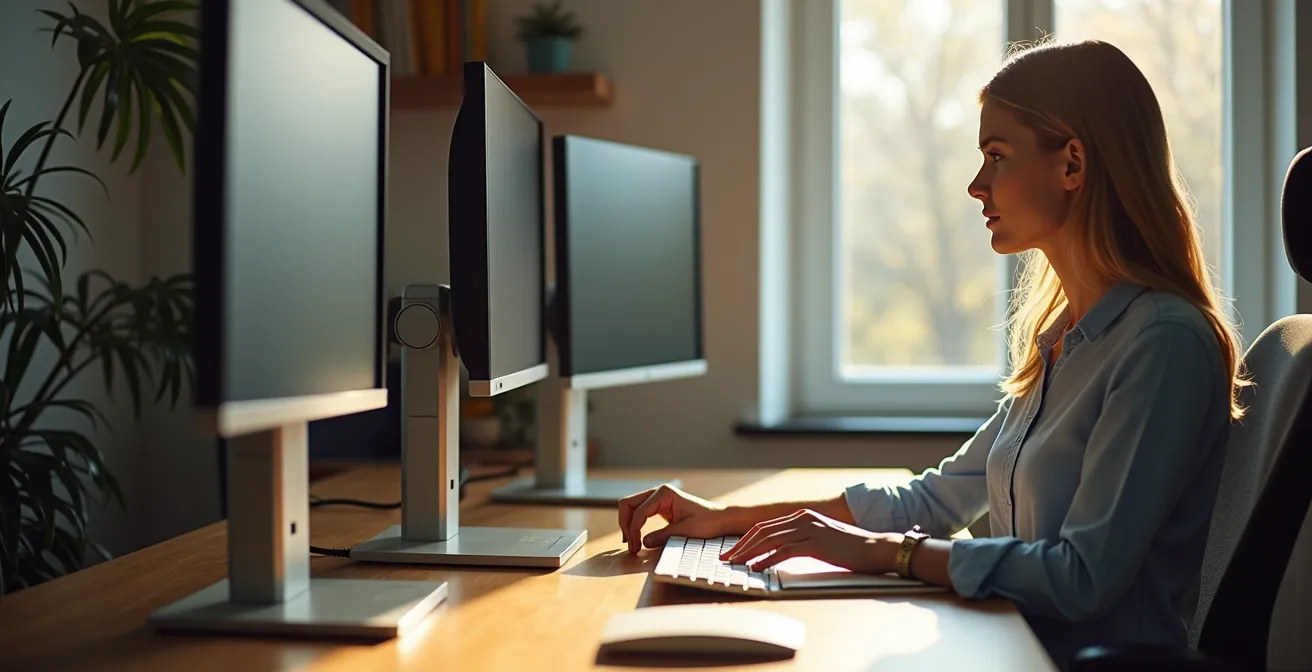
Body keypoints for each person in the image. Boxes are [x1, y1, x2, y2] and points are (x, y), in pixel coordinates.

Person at [617, 39, 1245, 669]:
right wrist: (727, 518)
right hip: (1014, 642)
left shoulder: (1161, 343)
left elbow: (1080, 578)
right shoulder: (1065, 337)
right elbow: (935, 501)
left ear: (1072, 164)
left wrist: (884, 553)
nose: (977, 185)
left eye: (996, 156)